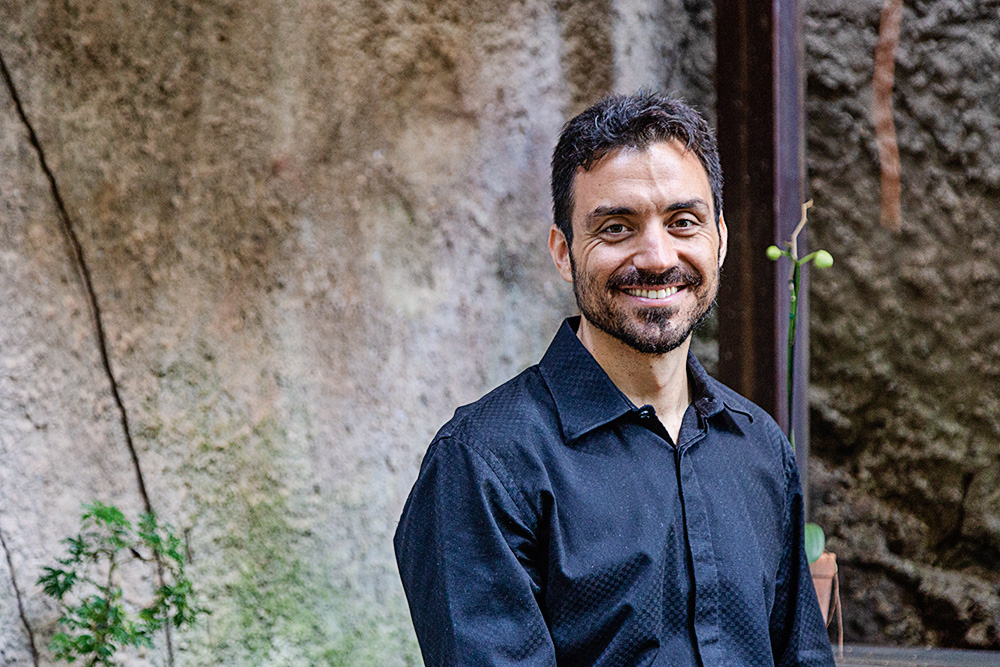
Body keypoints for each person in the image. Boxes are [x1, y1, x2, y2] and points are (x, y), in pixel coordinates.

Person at [394, 91, 835, 666]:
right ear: (563, 252)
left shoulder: (758, 449)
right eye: (617, 227)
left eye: (683, 222)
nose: (656, 256)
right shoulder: (482, 464)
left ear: (720, 240)